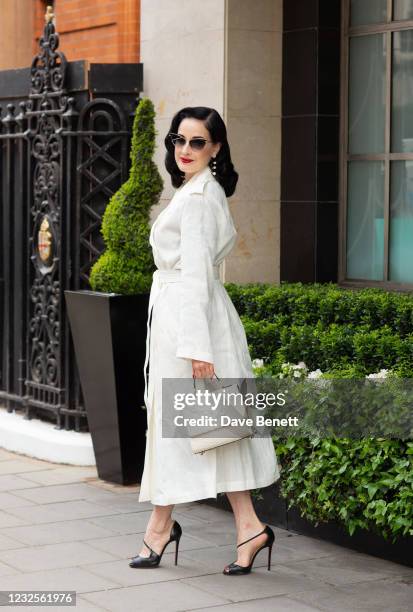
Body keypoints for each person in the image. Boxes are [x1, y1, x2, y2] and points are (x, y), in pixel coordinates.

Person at [130, 106, 281, 575]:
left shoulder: (198, 198)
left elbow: (196, 273)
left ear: (216, 148)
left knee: (193, 430)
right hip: (192, 319)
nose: (186, 150)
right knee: (210, 430)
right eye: (180, 140)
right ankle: (245, 527)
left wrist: (197, 350)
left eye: (198, 142)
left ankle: (165, 529)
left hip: (190, 325)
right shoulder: (200, 191)